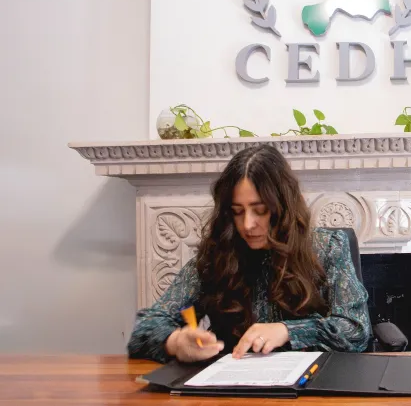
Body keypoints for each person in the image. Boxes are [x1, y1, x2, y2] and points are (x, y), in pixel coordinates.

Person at [127, 145, 371, 363]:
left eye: (260, 210)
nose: (247, 224)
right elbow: (145, 327)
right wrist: (175, 342)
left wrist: (287, 331)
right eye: (237, 211)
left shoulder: (327, 247)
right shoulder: (216, 257)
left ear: (283, 208)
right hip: (233, 386)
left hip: (311, 385)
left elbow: (356, 330)